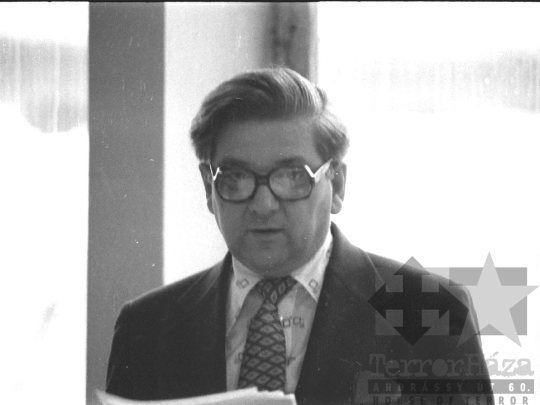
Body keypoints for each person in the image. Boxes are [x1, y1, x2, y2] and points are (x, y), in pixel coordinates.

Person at [106, 68, 493, 404]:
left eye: (292, 177)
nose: (263, 205)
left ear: (336, 185)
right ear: (209, 188)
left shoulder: (429, 313)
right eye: (236, 178)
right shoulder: (147, 327)